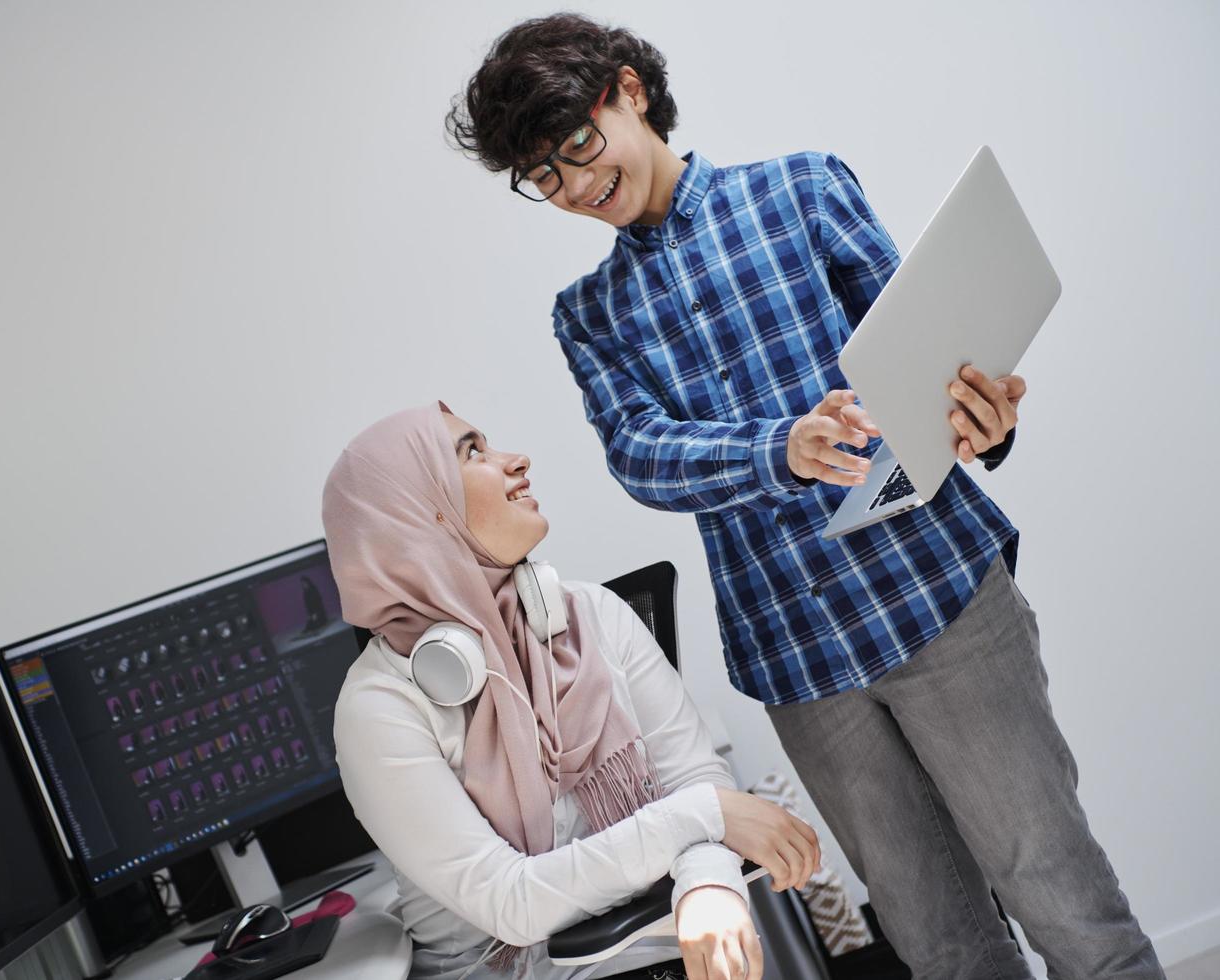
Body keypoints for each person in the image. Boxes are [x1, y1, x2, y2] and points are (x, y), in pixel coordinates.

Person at [444, 14, 1163, 979]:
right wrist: (777, 449)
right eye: (545, 177)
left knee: (1067, 901)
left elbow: (933, 353)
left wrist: (982, 415)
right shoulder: (589, 316)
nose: (576, 187)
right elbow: (640, 454)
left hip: (937, 594)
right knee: (939, 944)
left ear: (629, 91)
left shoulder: (802, 190)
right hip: (797, 654)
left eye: (576, 145)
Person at [322, 402, 820, 980]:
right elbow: (511, 902)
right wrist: (698, 819)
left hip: (648, 947)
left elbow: (696, 784)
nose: (515, 461)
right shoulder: (379, 709)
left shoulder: (594, 615)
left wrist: (707, 883)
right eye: (472, 452)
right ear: (420, 513)